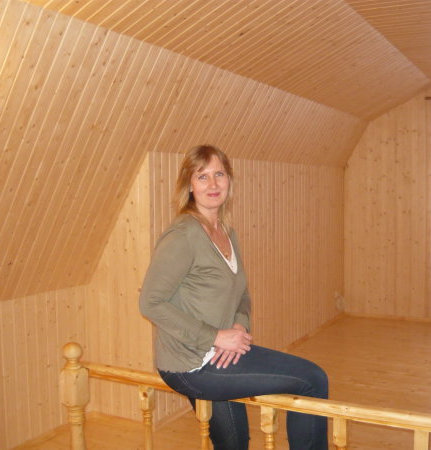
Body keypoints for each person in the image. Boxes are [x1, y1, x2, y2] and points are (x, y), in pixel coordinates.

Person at [139, 145, 328, 450]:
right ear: (189, 185)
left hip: (221, 353)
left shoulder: (226, 231)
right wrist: (214, 336)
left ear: (229, 180)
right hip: (191, 363)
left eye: (219, 174)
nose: (213, 184)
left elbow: (242, 292)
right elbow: (150, 302)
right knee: (312, 379)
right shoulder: (183, 236)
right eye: (202, 176)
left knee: (234, 444)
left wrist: (239, 325)